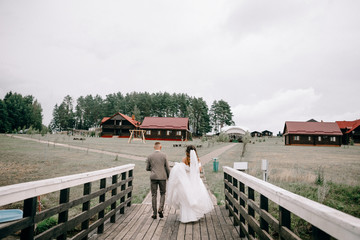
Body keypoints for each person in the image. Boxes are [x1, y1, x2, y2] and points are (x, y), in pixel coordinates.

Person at [166, 145, 214, 223]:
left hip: (185, 182)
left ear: (186, 152)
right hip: (196, 182)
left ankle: (186, 217)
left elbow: (181, 171)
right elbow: (199, 171)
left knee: (185, 201)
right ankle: (195, 215)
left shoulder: (184, 160)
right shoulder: (198, 161)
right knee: (196, 198)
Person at [146, 142, 171, 219]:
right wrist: (169, 176)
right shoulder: (164, 155)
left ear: (154, 147)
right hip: (162, 177)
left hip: (153, 177)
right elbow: (167, 167)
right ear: (161, 147)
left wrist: (153, 169)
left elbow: (147, 168)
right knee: (163, 193)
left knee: (154, 195)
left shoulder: (150, 156)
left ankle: (154, 213)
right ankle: (161, 208)